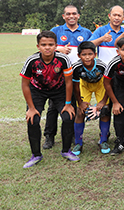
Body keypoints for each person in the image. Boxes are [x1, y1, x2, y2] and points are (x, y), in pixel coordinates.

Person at [20, 31, 78, 168]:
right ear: (38, 46)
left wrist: (69, 103)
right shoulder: (32, 61)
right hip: (37, 91)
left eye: (51, 44)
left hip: (59, 90)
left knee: (68, 116)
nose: (47, 47)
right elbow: (25, 84)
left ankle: (66, 151)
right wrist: (32, 108)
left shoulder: (63, 59)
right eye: (43, 45)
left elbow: (69, 82)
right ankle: (36, 154)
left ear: (56, 46)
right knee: (33, 119)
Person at [44, 5, 91, 150]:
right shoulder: (55, 31)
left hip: (77, 76)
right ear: (63, 16)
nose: (71, 16)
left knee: (75, 105)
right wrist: (59, 48)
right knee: (53, 107)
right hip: (57, 75)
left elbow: (91, 50)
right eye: (68, 14)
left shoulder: (87, 32)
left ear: (78, 16)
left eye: (74, 14)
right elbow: (44, 45)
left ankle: (71, 135)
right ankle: (49, 136)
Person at [70, 41, 111, 155]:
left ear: (95, 54)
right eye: (84, 54)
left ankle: (103, 140)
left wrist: (103, 101)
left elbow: (109, 84)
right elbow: (76, 86)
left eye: (90, 54)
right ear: (79, 56)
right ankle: (78, 143)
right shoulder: (77, 67)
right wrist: (80, 102)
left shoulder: (102, 66)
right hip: (85, 85)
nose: (87, 57)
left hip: (100, 85)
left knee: (105, 110)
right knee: (80, 111)